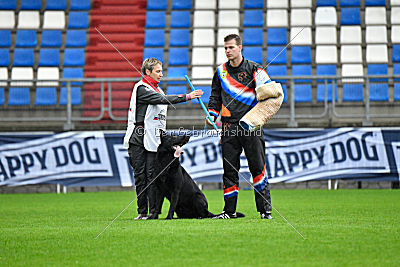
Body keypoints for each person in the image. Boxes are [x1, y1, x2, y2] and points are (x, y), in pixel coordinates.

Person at [123, 58, 203, 220]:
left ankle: (153, 212)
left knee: (153, 176)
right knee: (141, 175)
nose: (161, 74)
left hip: (153, 138)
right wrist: (187, 97)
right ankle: (142, 211)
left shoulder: (158, 90)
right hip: (138, 137)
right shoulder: (142, 89)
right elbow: (162, 100)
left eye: (161, 71)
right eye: (158, 71)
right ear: (148, 72)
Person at [207, 34, 273, 219]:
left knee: (257, 167)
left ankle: (265, 210)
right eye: (225, 48)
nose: (228, 51)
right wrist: (212, 114)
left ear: (240, 47)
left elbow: (269, 94)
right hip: (228, 127)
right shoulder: (220, 72)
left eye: (231, 47)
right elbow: (215, 98)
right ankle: (229, 211)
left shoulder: (255, 69)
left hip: (251, 126)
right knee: (229, 169)